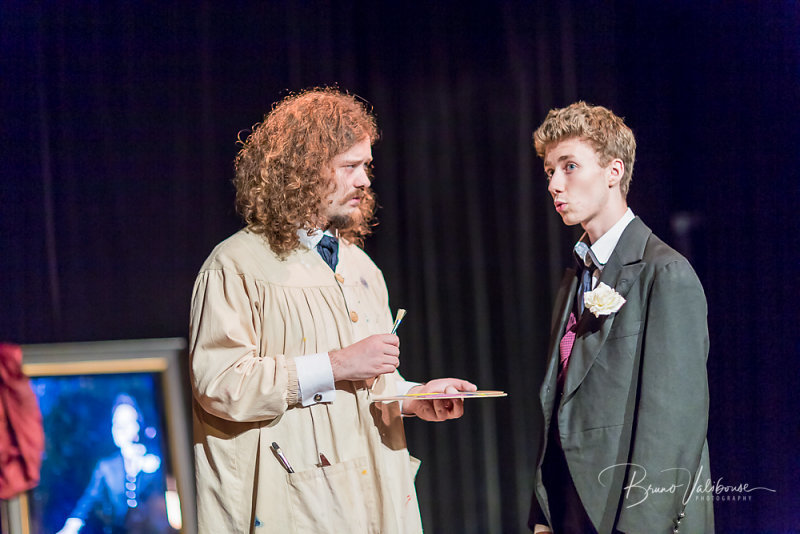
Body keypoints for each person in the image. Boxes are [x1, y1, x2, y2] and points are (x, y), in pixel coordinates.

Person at [189, 87, 476, 533]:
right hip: (293, 508)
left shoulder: (361, 267)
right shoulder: (237, 265)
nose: (364, 181)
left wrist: (414, 398)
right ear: (303, 170)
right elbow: (221, 384)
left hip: (369, 501)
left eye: (366, 167)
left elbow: (368, 386)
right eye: (349, 167)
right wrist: (338, 364)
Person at [528, 102, 713, 533]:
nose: (554, 184)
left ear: (614, 171)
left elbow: (674, 422)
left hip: (634, 517)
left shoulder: (665, 272)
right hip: (574, 512)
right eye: (550, 171)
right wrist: (544, 516)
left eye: (569, 166)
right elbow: (560, 406)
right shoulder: (575, 278)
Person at [57, 394, 172, 534]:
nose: (120, 428)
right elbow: (88, 502)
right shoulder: (106, 467)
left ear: (138, 425)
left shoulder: (156, 460)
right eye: (116, 423)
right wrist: (71, 527)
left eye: (127, 422)